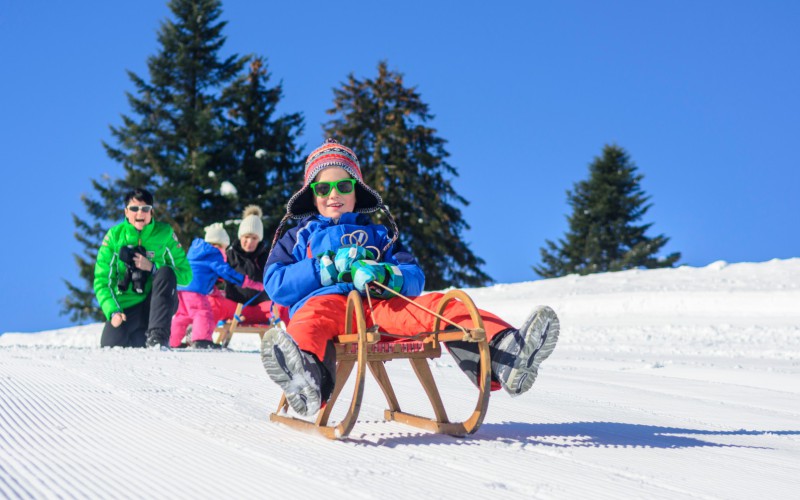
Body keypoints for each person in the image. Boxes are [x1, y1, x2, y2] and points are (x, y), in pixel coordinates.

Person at [259, 139, 560, 416]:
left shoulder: (380, 234)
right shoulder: (297, 237)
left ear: (356, 190)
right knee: (308, 321)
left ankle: (505, 352)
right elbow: (276, 282)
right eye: (323, 189)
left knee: (440, 306)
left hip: (380, 307)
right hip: (326, 306)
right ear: (312, 195)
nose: (334, 194)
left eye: (344, 186)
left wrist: (386, 273)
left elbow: (415, 277)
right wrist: (325, 269)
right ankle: (306, 376)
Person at [94, 188, 192, 348]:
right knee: (110, 346)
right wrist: (113, 311)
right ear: (126, 212)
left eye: (145, 209)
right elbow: (102, 281)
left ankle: (158, 338)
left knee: (166, 272)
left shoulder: (165, 233)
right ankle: (141, 338)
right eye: (134, 208)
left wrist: (153, 268)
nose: (140, 213)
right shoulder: (114, 236)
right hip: (126, 308)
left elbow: (186, 276)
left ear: (151, 212)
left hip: (155, 306)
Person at [169, 223, 264, 349]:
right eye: (225, 248)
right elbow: (228, 273)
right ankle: (201, 340)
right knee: (203, 312)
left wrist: (214, 291)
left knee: (182, 316)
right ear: (220, 245)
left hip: (181, 289)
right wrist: (251, 283)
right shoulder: (213, 254)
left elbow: (204, 275)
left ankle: (172, 342)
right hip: (196, 292)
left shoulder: (197, 252)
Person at [209, 205, 288, 328]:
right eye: (246, 237)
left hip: (262, 309)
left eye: (254, 238)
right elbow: (215, 276)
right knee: (210, 302)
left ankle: (298, 341)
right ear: (240, 236)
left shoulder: (268, 258)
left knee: (288, 303)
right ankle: (201, 336)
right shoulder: (229, 256)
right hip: (235, 309)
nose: (249, 242)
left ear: (259, 239)